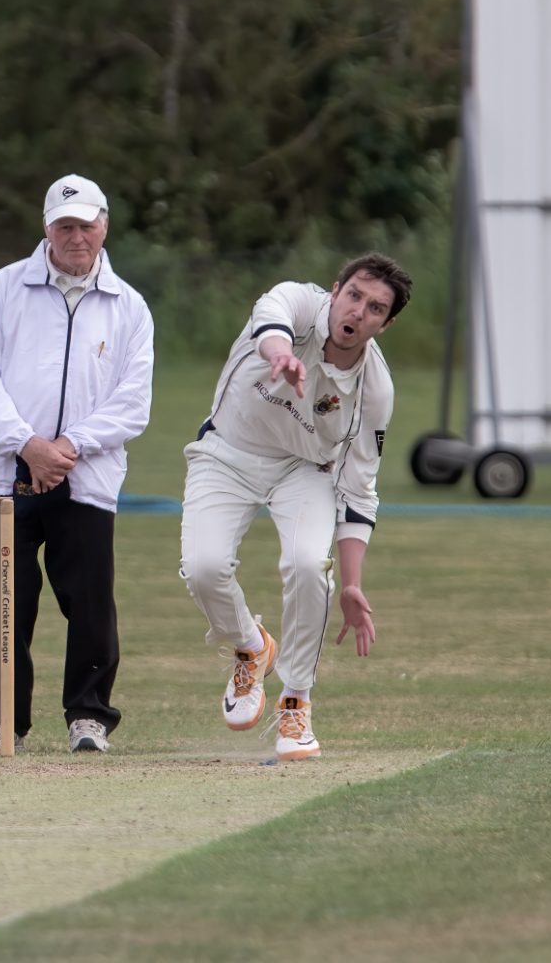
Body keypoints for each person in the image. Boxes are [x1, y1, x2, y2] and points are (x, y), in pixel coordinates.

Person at [179, 253, 411, 761]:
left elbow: (359, 487)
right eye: (354, 295)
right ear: (335, 290)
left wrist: (351, 583)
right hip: (227, 451)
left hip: (304, 469)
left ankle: (295, 701)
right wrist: (281, 355)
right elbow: (271, 318)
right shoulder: (300, 303)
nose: (358, 312)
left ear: (386, 324)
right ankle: (251, 646)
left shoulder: (374, 389)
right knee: (203, 568)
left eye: (375, 308)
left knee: (309, 567)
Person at [0, 174, 155, 753]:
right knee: (1, 604)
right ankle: (0, 721)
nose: (76, 237)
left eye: (86, 226)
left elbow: (133, 403)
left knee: (90, 602)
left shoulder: (129, 306)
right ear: (46, 228)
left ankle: (88, 717)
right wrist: (28, 445)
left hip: (85, 476)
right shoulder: (3, 288)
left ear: (104, 227)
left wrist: (67, 447)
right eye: (65, 226)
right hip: (0, 473)